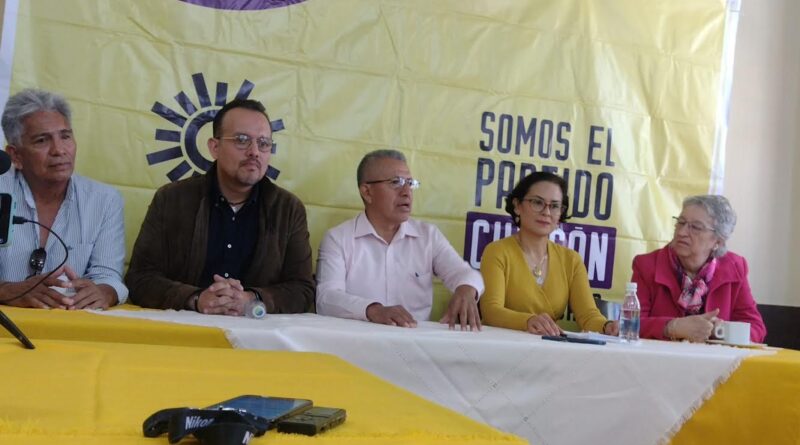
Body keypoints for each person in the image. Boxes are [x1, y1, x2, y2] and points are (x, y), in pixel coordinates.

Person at [125, 99, 314, 315]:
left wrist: (251, 299)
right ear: (214, 147)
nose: (254, 152)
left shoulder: (288, 209)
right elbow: (140, 278)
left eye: (263, 143)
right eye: (242, 140)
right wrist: (196, 298)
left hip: (257, 331)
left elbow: (302, 289)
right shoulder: (171, 199)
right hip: (186, 327)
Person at [316, 149, 484, 330]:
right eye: (396, 182)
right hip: (357, 341)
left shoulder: (428, 236)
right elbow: (327, 298)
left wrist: (466, 289)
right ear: (367, 192)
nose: (406, 192)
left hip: (414, 342)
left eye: (410, 183)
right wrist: (372, 310)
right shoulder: (338, 238)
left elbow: (466, 273)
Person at [0, 88, 127, 309]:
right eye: (42, 140)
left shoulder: (104, 200)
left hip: (69, 322)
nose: (59, 150)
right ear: (16, 156)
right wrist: (5, 290)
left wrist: (104, 292)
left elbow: (108, 275)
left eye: (65, 136)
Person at [480, 172, 618, 335]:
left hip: (548, 346)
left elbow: (588, 317)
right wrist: (528, 321)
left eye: (554, 206)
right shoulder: (497, 251)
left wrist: (607, 326)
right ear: (517, 205)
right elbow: (491, 311)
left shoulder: (571, 260)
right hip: (501, 344)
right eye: (537, 202)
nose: (546, 212)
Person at [632, 195, 766, 343]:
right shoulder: (647, 265)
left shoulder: (734, 267)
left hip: (713, 358)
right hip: (659, 356)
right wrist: (672, 327)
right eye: (681, 222)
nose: (682, 232)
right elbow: (629, 324)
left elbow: (756, 328)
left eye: (695, 227)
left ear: (718, 241)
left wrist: (720, 331)